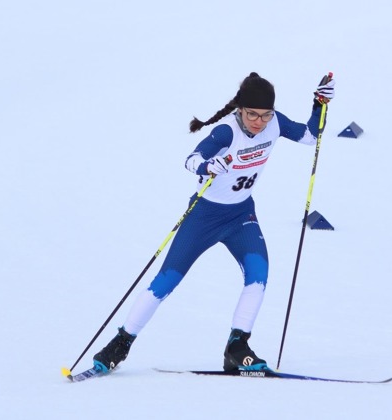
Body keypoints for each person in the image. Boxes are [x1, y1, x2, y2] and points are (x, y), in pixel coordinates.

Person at [93, 72, 335, 372]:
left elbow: (310, 137)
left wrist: (319, 104)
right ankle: (120, 344)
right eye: (252, 114)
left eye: (265, 115)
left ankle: (237, 346)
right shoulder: (226, 132)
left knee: (258, 274)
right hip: (204, 216)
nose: (259, 122)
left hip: (241, 215)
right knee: (166, 281)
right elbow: (191, 159)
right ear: (240, 109)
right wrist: (209, 166)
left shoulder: (275, 123)